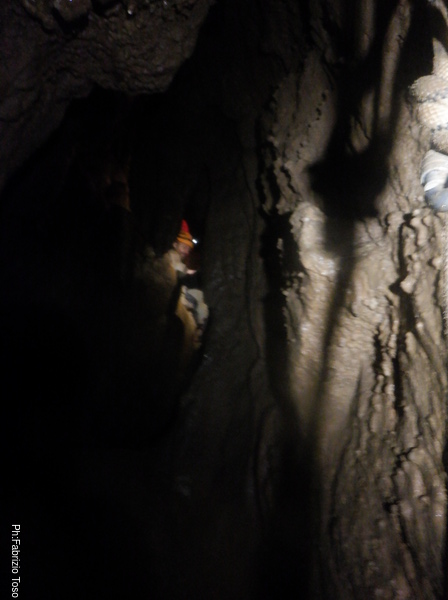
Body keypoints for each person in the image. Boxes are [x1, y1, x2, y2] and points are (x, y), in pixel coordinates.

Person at [168, 220, 209, 345]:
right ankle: (200, 329)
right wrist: (187, 270)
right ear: (175, 244)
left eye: (188, 249)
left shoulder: (180, 258)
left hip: (182, 290)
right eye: (184, 247)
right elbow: (176, 266)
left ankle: (200, 328)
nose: (186, 251)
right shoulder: (172, 255)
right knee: (197, 298)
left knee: (200, 299)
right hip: (177, 292)